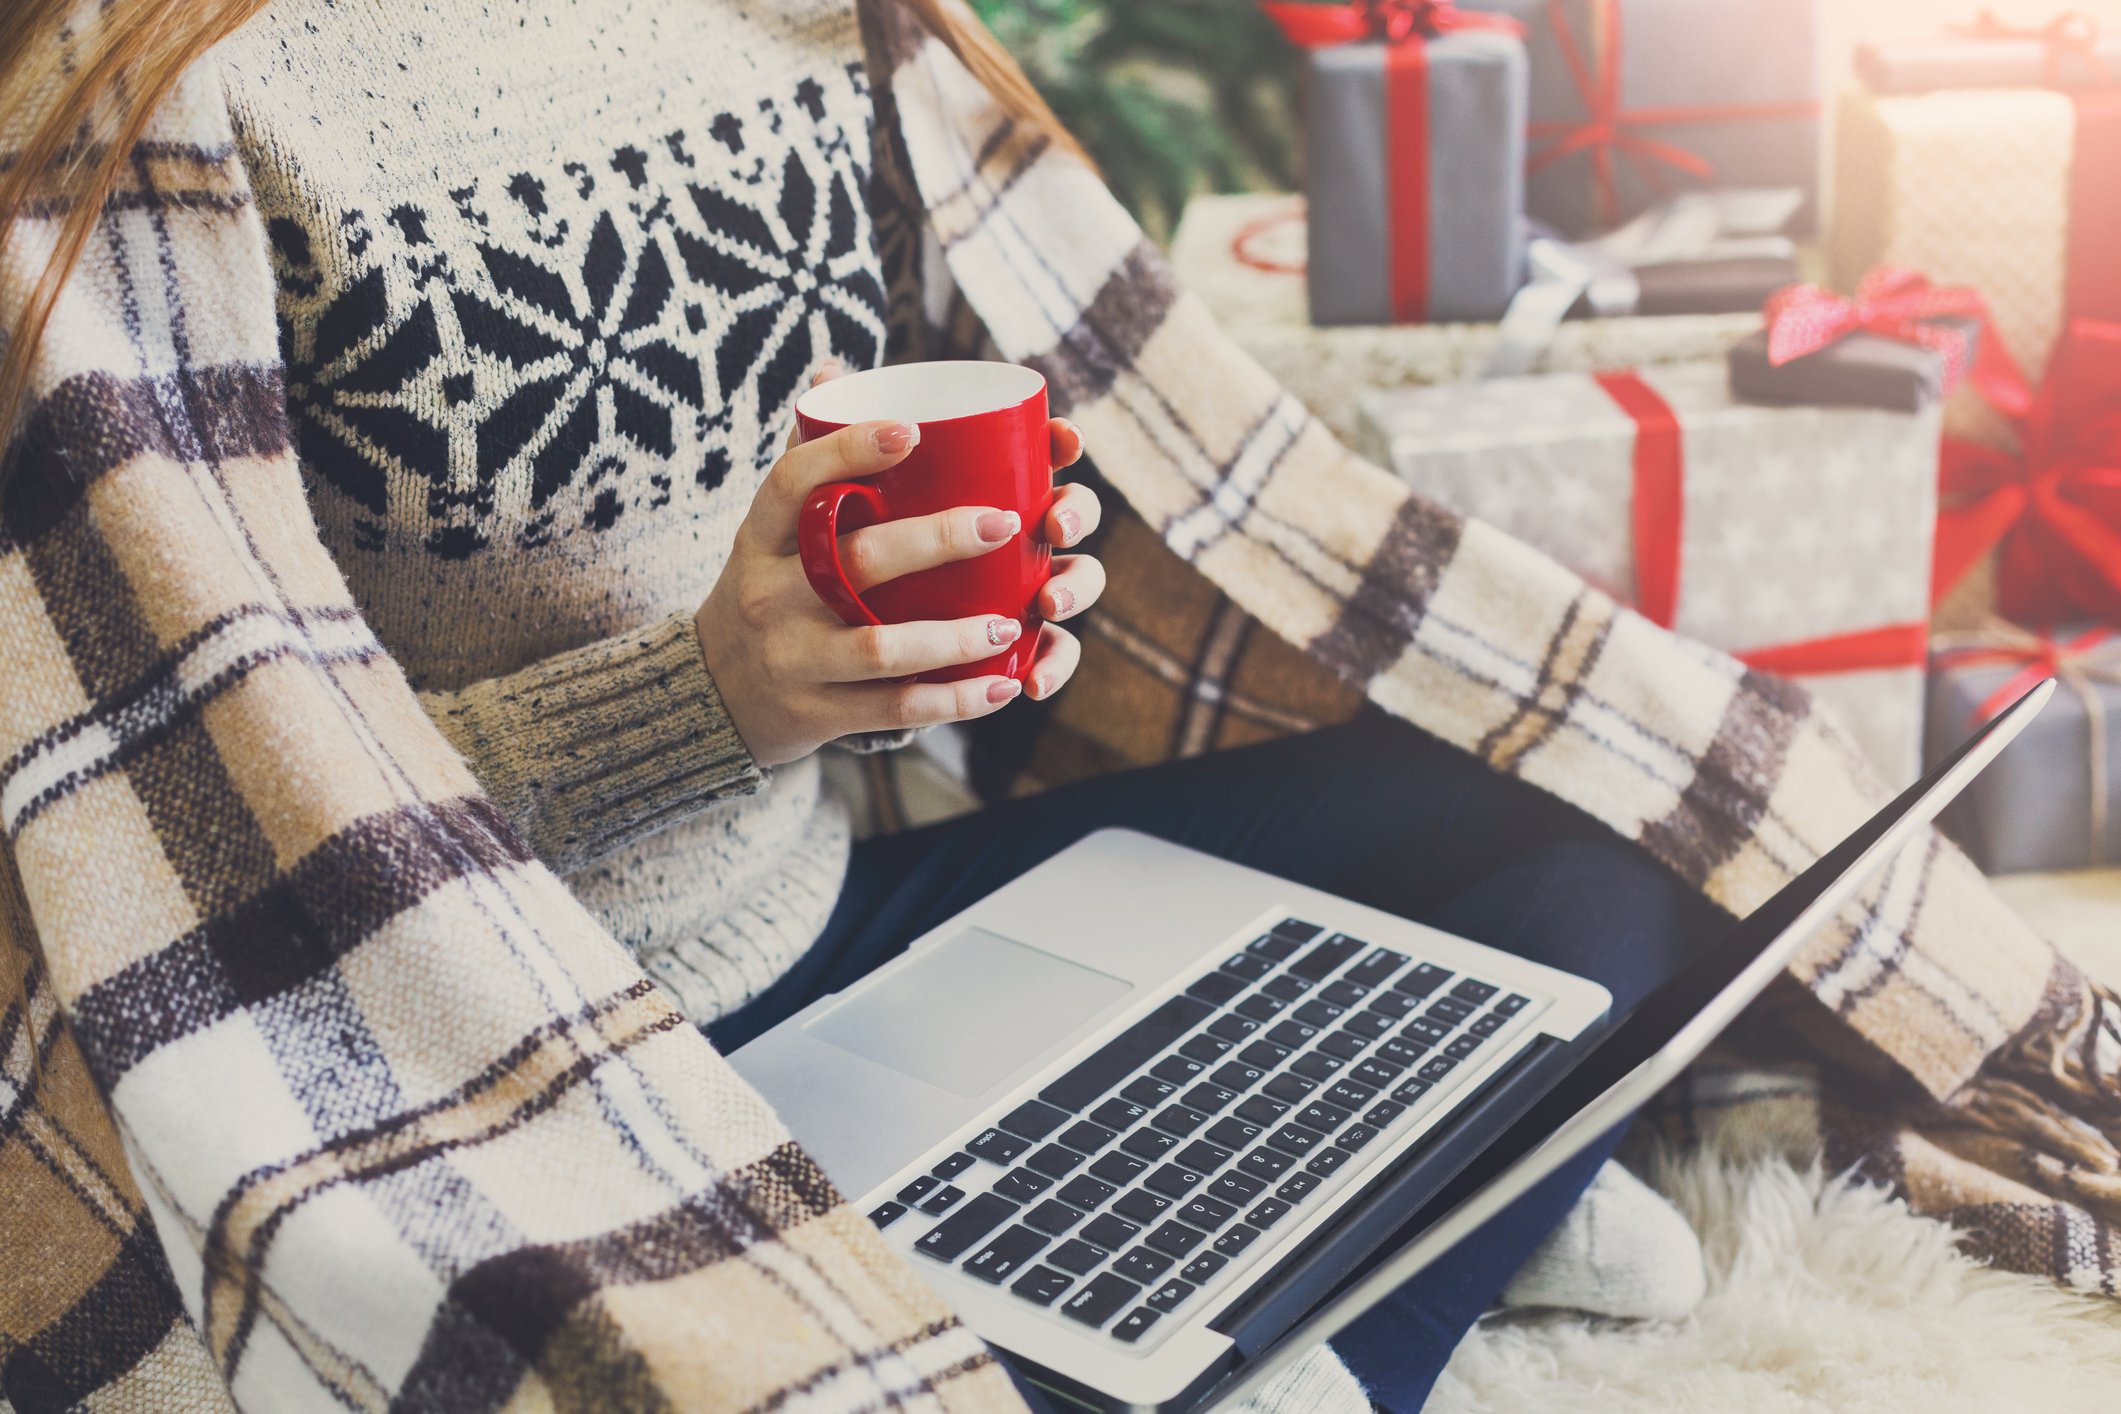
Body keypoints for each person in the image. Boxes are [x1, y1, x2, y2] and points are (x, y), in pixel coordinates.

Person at [9, 3, 1998, 1412]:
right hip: (475, 1053)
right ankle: (1353, 1245)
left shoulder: (808, 17)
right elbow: (154, 837)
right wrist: (701, 702)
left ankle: (1274, 1256)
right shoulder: (149, 101)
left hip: (848, 897)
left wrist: (1025, 589)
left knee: (1626, 804)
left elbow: (1093, 413)